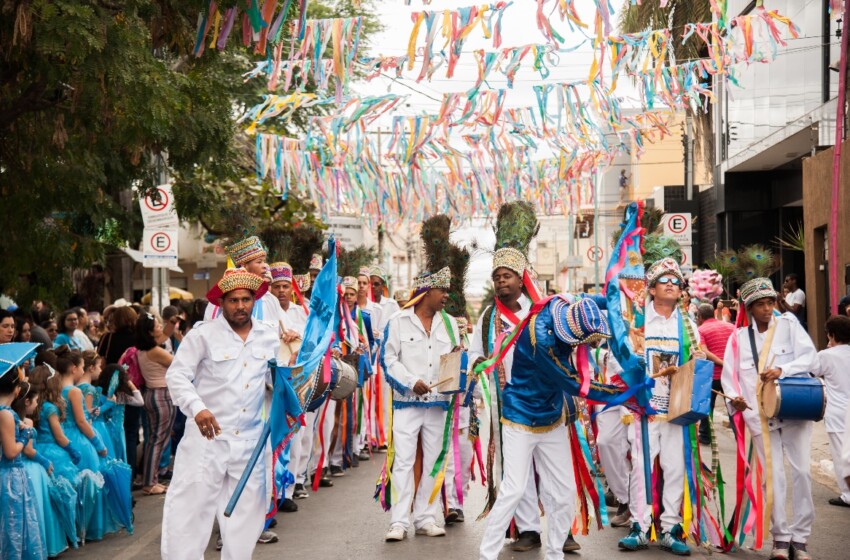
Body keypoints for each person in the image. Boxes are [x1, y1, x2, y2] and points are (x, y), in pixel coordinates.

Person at [479, 297, 614, 560]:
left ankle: (555, 555)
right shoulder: (541, 340)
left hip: (551, 417)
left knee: (565, 492)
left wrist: (615, 294)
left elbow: (591, 299)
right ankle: (487, 555)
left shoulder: (565, 305)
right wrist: (624, 393)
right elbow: (575, 384)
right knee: (513, 490)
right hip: (520, 417)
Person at [162, 268, 280, 560]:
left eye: (245, 299)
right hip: (207, 439)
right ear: (221, 303)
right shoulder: (203, 335)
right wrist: (197, 408)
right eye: (233, 300)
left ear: (255, 300)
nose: (240, 306)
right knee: (190, 515)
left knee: (247, 518)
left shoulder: (269, 336)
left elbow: (278, 381)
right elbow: (177, 376)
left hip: (251, 441)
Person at [721, 277, 818, 560]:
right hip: (758, 416)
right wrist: (734, 399)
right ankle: (781, 537)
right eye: (760, 305)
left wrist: (782, 369)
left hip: (793, 410)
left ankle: (800, 539)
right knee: (772, 478)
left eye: (769, 303)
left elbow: (811, 359)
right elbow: (730, 378)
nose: (766, 309)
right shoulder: (738, 338)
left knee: (802, 472)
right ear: (749, 308)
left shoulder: (788, 325)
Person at [617, 258, 702, 556]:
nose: (670, 284)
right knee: (641, 466)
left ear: (681, 291)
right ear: (651, 289)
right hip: (644, 408)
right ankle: (639, 527)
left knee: (675, 468)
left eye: (675, 281)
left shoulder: (689, 326)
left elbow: (698, 365)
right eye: (664, 280)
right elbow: (621, 363)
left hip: (677, 409)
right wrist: (642, 375)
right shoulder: (638, 323)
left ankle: (669, 528)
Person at [381, 267, 457, 542]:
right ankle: (398, 522)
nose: (446, 296)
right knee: (402, 461)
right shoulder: (398, 321)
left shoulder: (449, 324)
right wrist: (412, 381)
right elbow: (389, 360)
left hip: (439, 405)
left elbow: (455, 360)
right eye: (442, 290)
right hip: (407, 403)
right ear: (426, 291)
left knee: (435, 462)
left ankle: (425, 518)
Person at [0, 349, 45, 560]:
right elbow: (10, 452)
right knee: (14, 528)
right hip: (9, 477)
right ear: (17, 390)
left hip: (9, 476)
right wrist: (25, 436)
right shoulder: (6, 414)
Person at [812, 315, 850, 508]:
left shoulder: (826, 356)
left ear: (833, 335)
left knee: (840, 455)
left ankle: (847, 495)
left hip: (837, 413)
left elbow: (812, 371)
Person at [136, 312, 174, 496]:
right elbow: (179, 365)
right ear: (150, 332)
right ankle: (150, 482)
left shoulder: (144, 350)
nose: (161, 328)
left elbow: (165, 335)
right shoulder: (156, 351)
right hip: (161, 395)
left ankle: (151, 479)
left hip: (151, 394)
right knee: (158, 440)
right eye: (157, 326)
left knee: (154, 439)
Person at [696, 302, 735, 445]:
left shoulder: (700, 330)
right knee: (732, 406)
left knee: (708, 405)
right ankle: (739, 436)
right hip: (730, 374)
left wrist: (720, 362)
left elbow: (704, 351)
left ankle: (705, 436)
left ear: (700, 317)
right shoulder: (730, 327)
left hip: (712, 374)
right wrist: (728, 364)